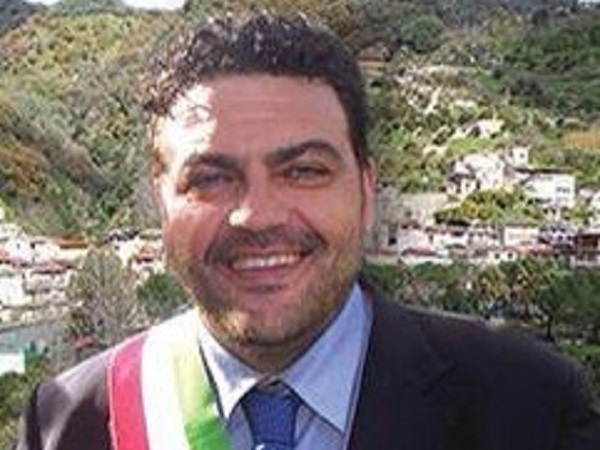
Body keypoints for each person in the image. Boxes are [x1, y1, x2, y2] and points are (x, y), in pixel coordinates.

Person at [16, 11, 600, 450]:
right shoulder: (70, 423)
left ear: (366, 191)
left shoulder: (531, 409)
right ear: (161, 205)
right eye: (211, 178)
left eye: (303, 171)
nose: (258, 215)